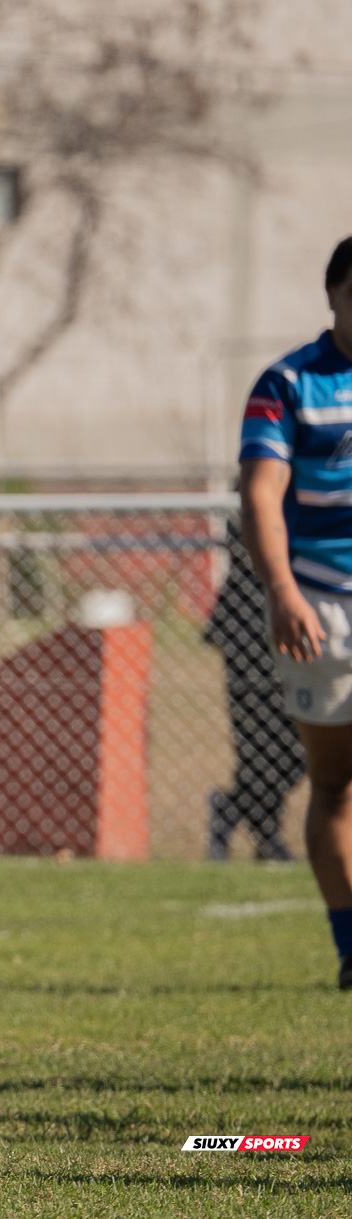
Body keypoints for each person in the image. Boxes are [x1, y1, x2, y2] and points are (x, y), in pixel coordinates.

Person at [238, 235, 352, 988]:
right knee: (336, 782)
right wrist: (282, 590)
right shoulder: (288, 382)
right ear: (337, 295)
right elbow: (260, 493)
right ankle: (351, 943)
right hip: (323, 608)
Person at [204, 518, 301, 861]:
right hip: (250, 631)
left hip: (308, 626)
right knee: (259, 744)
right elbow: (246, 529)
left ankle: (232, 812)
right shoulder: (266, 471)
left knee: (301, 747)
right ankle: (265, 836)